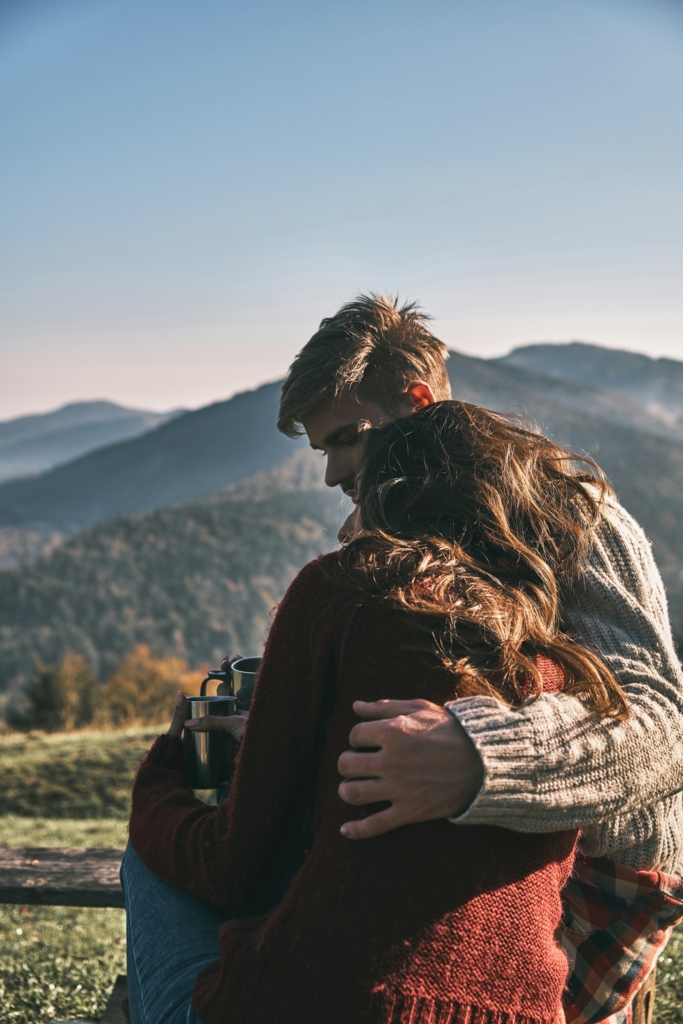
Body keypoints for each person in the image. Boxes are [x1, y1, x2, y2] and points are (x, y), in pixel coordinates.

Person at [125, 400, 630, 1024]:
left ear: (401, 497)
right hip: (522, 1012)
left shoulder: (343, 591)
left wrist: (158, 781)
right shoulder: (570, 670)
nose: (345, 529)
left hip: (321, 1006)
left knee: (147, 858)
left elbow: (232, 867)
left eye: (360, 499)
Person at [276, 293, 683, 1022]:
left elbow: (660, 727)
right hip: (475, 839)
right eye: (322, 449)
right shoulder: (403, 521)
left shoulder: (563, 507)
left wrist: (479, 757)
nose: (333, 472)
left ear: (420, 401)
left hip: (602, 868)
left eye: (346, 438)